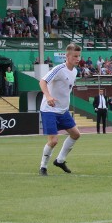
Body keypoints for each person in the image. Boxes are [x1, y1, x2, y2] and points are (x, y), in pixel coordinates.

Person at [38, 43, 82, 176]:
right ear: (67, 56)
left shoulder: (74, 71)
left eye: (79, 56)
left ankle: (60, 160)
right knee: (53, 141)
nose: (78, 59)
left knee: (76, 134)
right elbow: (42, 81)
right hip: (49, 110)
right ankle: (43, 167)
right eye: (75, 56)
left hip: (63, 110)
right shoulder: (59, 69)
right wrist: (48, 96)